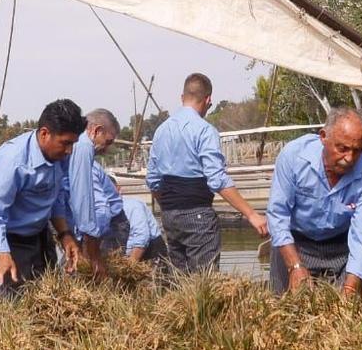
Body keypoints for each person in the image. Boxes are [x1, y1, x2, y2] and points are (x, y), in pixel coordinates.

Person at [145, 74, 266, 273]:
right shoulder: (204, 131)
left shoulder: (161, 131)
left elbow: (153, 180)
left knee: (178, 279)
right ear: (208, 100)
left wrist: (171, 205)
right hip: (197, 213)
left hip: (169, 215)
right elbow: (217, 179)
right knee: (204, 281)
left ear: (182, 97)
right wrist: (251, 214)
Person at [0, 98, 84, 301]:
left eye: (73, 144)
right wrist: (3, 255)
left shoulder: (61, 157)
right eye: (65, 143)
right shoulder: (12, 160)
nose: (69, 151)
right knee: (1, 307)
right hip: (0, 235)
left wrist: (65, 234)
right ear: (44, 134)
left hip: (35, 233)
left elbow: (57, 196)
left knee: (42, 300)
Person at [265, 109, 362, 295]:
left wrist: (350, 288)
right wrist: (295, 266)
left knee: (342, 310)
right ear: (323, 137)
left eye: (357, 151)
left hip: (340, 248)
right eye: (342, 149)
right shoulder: (293, 157)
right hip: (296, 242)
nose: (349, 158)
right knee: (286, 310)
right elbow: (278, 215)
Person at [68, 108, 127, 279]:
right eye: (108, 142)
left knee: (103, 276)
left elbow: (100, 207)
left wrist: (91, 249)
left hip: (109, 225)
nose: (107, 150)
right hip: (97, 226)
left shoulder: (83, 149)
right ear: (96, 130)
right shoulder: (83, 147)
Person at [112, 196, 170, 267]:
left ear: (118, 190)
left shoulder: (132, 206)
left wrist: (129, 266)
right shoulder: (101, 211)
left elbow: (141, 237)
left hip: (149, 251)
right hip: (125, 255)